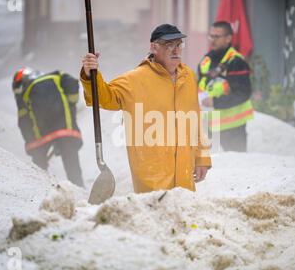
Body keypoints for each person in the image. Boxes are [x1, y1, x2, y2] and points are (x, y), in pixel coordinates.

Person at [81, 24, 211, 193]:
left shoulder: (189, 77)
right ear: (154, 47)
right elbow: (105, 98)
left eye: (179, 45)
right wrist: (90, 74)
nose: (175, 50)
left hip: (184, 173)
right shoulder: (134, 79)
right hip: (151, 174)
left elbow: (195, 120)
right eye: (169, 45)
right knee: (153, 216)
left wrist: (202, 158)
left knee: (183, 216)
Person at [12, 67, 85, 187]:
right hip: (66, 131)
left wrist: (33, 149)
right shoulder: (57, 76)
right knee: (73, 167)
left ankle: (40, 189)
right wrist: (71, 103)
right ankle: (80, 190)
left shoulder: (24, 94)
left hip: (43, 138)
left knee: (39, 167)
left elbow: (24, 124)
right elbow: (72, 83)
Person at [197, 21, 254, 152]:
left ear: (228, 38)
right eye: (210, 36)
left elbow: (243, 93)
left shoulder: (236, 61)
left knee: (236, 168)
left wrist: (215, 102)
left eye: (217, 37)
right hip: (208, 124)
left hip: (232, 128)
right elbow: (200, 85)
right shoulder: (206, 60)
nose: (212, 40)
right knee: (210, 167)